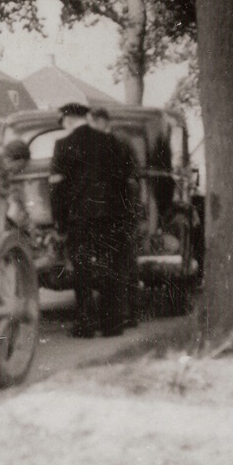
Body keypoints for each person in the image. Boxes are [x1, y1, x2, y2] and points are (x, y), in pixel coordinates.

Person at [50, 103, 130, 337]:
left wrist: (60, 224)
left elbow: (57, 189)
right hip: (112, 215)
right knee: (109, 267)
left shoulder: (63, 145)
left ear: (67, 120)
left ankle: (84, 324)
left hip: (80, 217)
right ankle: (112, 325)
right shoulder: (112, 142)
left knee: (82, 270)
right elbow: (124, 183)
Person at [88, 107, 141, 328]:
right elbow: (133, 176)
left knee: (113, 266)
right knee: (124, 263)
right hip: (123, 211)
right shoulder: (123, 141)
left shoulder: (106, 144)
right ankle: (128, 314)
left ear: (99, 121)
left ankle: (116, 315)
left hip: (110, 213)